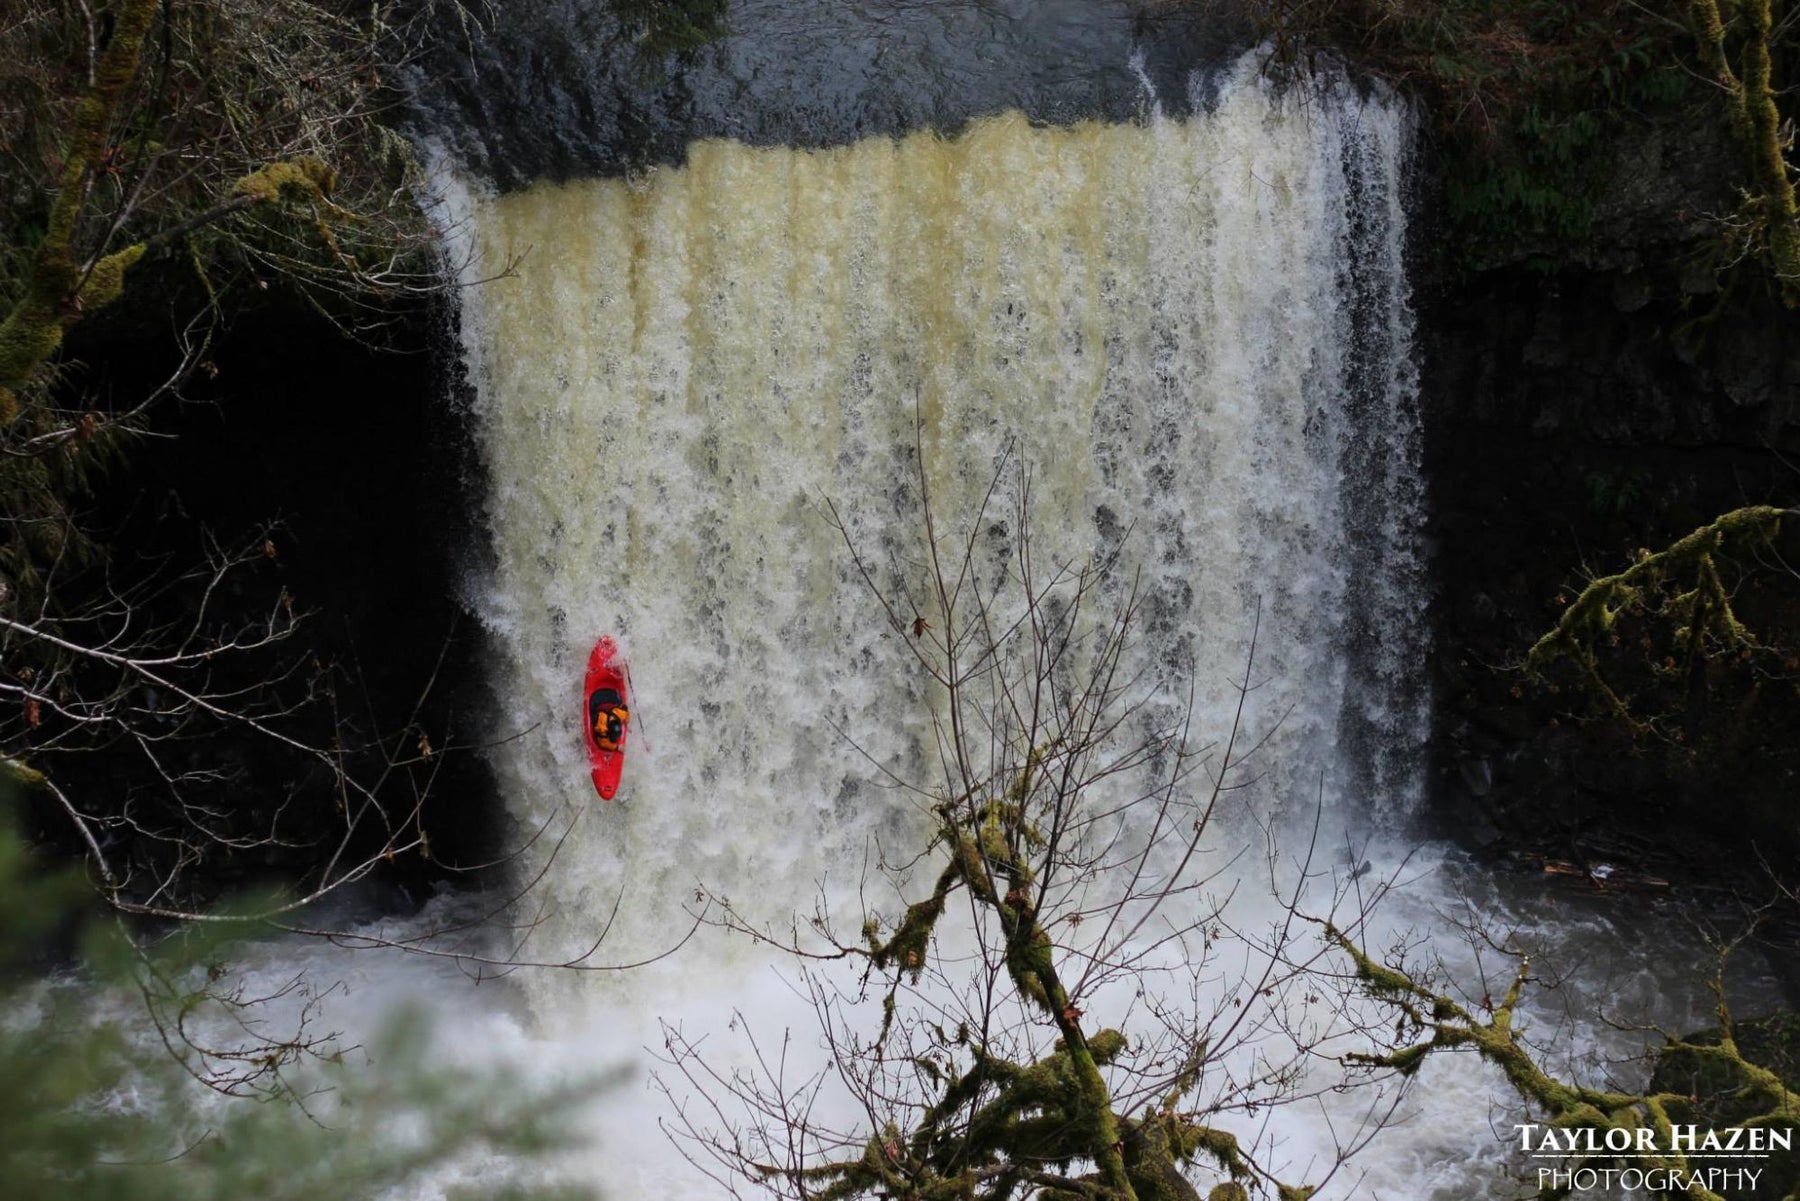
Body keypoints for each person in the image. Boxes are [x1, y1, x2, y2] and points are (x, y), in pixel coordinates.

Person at [591, 687, 629, 752]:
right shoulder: (602, 727)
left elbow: (626, 714)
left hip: (611, 697)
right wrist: (617, 747)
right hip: (597, 699)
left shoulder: (620, 714)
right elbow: (603, 743)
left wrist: (627, 723)